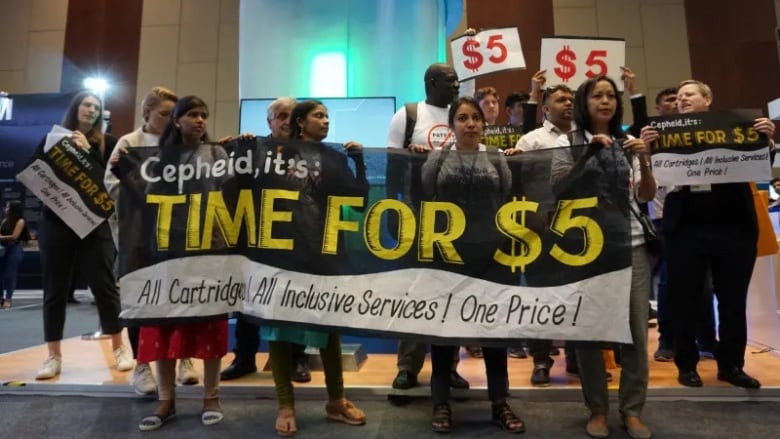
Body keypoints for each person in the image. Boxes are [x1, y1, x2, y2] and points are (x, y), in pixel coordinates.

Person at [640, 80, 776, 390]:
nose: (682, 100)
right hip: (686, 226)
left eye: (689, 95)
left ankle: (731, 365)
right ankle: (686, 364)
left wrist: (765, 141)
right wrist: (647, 152)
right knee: (684, 298)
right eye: (679, 97)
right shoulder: (666, 134)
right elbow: (651, 185)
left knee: (732, 301)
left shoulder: (738, 127)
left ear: (708, 99)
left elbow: (760, 168)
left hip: (734, 225)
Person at [553, 76, 656, 439]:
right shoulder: (568, 141)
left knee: (635, 334)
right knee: (590, 333)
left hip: (632, 246)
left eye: (611, 95)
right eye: (597, 95)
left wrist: (646, 159)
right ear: (585, 102)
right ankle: (597, 409)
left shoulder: (629, 141)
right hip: (589, 249)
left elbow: (646, 194)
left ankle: (632, 410)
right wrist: (589, 155)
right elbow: (559, 189)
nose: (605, 101)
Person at [263, 100, 368, 436]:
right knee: (278, 330)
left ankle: (336, 401)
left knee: (328, 327)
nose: (325, 122)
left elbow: (358, 200)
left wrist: (359, 162)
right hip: (281, 252)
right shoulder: (274, 155)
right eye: (318, 116)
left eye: (326, 116)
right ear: (300, 122)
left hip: (322, 253)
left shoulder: (334, 158)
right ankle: (285, 405)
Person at [422, 97, 522, 434]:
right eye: (462, 118)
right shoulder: (437, 158)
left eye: (476, 118)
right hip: (447, 257)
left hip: (491, 255)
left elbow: (506, 195)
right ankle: (440, 402)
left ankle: (499, 401)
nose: (470, 124)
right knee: (443, 333)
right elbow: (425, 191)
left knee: (493, 332)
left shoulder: (495, 156)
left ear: (484, 124)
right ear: (452, 125)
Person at [136, 96, 228, 431]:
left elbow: (231, 194)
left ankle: (212, 396)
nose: (200, 120)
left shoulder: (217, 154)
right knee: (163, 324)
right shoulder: (156, 158)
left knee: (210, 323)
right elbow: (141, 200)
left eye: (204, 115)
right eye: (192, 114)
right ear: (176, 121)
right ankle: (166, 400)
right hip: (166, 253)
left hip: (208, 253)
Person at [104, 86, 199, 395]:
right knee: (141, 302)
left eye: (173, 115)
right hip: (140, 239)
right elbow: (112, 185)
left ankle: (184, 358)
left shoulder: (179, 143)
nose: (170, 120)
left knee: (181, 297)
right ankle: (143, 366)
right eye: (163, 115)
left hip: (177, 238)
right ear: (146, 114)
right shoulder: (129, 143)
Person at [33, 91, 133, 380]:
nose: (91, 110)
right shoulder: (54, 138)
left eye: (96, 107)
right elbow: (34, 169)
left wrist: (86, 152)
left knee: (104, 286)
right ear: (75, 108)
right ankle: (53, 356)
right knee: (55, 290)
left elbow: (115, 182)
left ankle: (119, 347)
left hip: (94, 224)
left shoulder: (109, 144)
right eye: (86, 104)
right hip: (56, 222)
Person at [385, 62, 469, 392]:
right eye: (450, 81)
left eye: (457, 80)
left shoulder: (462, 115)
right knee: (416, 291)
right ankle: (408, 366)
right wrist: (394, 212)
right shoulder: (408, 116)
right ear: (431, 83)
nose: (457, 85)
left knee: (455, 291)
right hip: (418, 216)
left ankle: (449, 366)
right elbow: (393, 167)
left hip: (458, 219)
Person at [220, 96, 311, 384]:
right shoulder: (252, 150)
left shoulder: (310, 151)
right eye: (280, 115)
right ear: (268, 122)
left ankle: (297, 359)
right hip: (256, 237)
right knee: (250, 300)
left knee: (294, 301)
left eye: (291, 116)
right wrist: (230, 152)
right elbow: (230, 185)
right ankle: (244, 358)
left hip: (296, 237)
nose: (286, 121)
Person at [505, 81, 576, 385]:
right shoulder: (531, 140)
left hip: (578, 228)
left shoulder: (582, 138)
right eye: (561, 99)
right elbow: (516, 181)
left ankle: (578, 359)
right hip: (540, 228)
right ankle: (541, 360)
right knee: (539, 296)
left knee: (578, 294)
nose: (568, 103)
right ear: (546, 109)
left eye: (572, 99)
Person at [0, 201, 29, 309]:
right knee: (0, 274)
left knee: (10, 274)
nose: (5, 209)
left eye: (8, 207)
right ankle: (0, 298)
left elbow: (15, 236)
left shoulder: (20, 221)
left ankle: (8, 299)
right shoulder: (4, 220)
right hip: (3, 249)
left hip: (14, 249)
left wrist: (1, 237)